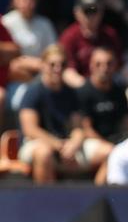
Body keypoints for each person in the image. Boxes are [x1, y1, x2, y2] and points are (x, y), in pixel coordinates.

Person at [17, 45, 103, 184]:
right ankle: (46, 197)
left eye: (62, 64)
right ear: (43, 65)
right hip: (37, 144)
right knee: (44, 153)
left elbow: (78, 127)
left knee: (108, 152)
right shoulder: (32, 92)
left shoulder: (71, 93)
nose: (57, 69)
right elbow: (30, 130)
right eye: (52, 64)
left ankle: (100, 196)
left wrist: (74, 143)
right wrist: (58, 146)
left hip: (67, 145)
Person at [77, 47, 128, 179]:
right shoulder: (83, 92)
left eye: (109, 64)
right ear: (91, 66)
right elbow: (86, 129)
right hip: (90, 142)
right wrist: (108, 144)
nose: (104, 68)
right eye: (98, 64)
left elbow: (125, 122)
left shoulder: (119, 91)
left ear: (115, 66)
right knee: (113, 154)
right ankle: (98, 190)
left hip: (116, 140)